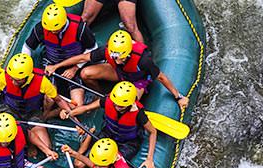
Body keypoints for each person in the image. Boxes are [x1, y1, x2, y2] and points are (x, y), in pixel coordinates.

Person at [45, 30, 190, 110]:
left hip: (138, 80)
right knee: (85, 73)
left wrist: (178, 97)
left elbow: (161, 77)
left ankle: (112, 100)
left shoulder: (143, 60)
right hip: (120, 74)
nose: (115, 59)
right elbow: (82, 58)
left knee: (126, 103)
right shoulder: (110, 52)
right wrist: (56, 66)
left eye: (118, 57)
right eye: (113, 55)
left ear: (128, 54)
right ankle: (102, 95)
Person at [0, 53, 71, 157]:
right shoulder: (3, 78)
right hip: (9, 111)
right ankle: (29, 142)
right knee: (4, 140)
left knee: (46, 146)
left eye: (17, 80)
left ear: (28, 76)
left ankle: (30, 140)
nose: (13, 82)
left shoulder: (42, 82)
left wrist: (72, 114)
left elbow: (58, 100)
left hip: (32, 113)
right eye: (12, 78)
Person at [60, 81, 157, 168]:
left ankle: (91, 134)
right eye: (115, 103)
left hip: (127, 143)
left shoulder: (139, 114)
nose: (117, 106)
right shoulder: (107, 100)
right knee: (78, 165)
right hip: (107, 135)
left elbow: (153, 132)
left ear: (130, 103)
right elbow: (86, 108)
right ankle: (90, 135)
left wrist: (149, 158)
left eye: (121, 105)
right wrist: (69, 113)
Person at [22, 3, 97, 118]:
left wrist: (75, 67)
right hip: (50, 64)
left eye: (56, 30)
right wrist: (26, 66)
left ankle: (56, 112)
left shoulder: (79, 27)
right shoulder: (41, 28)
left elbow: (93, 48)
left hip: (74, 65)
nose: (52, 32)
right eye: (50, 30)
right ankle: (46, 114)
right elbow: (28, 47)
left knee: (78, 105)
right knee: (49, 100)